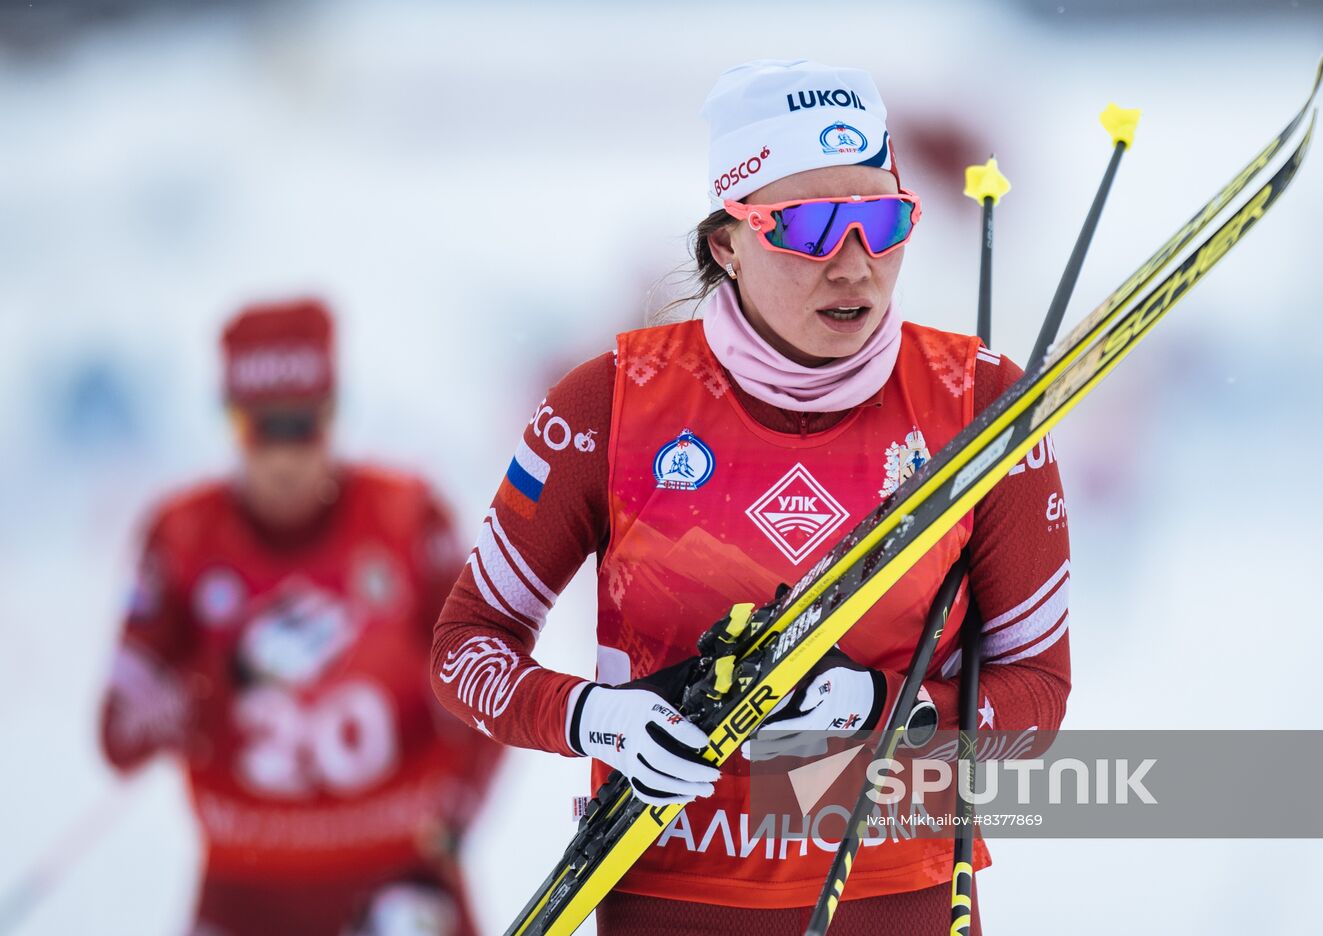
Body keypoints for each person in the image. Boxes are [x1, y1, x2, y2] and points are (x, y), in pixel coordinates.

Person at [431, 59, 1070, 934]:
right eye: (809, 229)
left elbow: (1036, 695)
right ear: (726, 241)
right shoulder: (608, 404)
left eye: (882, 222)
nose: (855, 266)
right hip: (670, 893)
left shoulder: (979, 402)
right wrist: (592, 718)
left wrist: (891, 711)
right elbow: (468, 647)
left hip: (896, 896)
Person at [101, 298, 501, 936]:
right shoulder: (182, 534)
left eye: (302, 426)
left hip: (397, 883)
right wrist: (231, 672)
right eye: (259, 429)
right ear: (231, 422)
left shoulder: (407, 517)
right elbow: (120, 735)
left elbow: (491, 687)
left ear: (332, 414)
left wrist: (447, 834)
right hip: (245, 896)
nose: (283, 459)